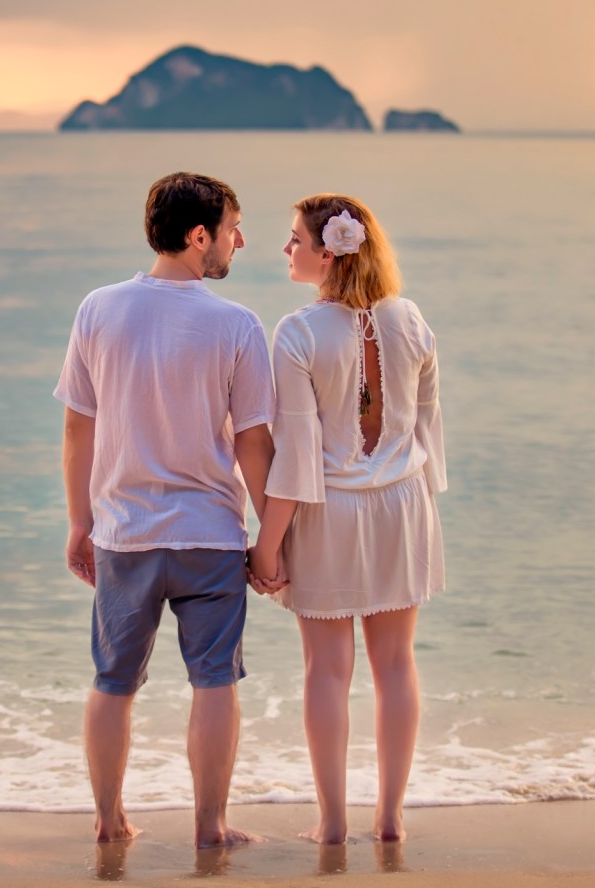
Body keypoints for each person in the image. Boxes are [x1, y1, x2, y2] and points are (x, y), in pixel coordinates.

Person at [54, 172, 276, 848]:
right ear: (198, 235)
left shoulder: (99, 308)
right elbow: (254, 442)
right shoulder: (237, 324)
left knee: (113, 680)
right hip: (209, 536)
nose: (241, 240)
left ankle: (108, 819)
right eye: (232, 227)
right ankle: (210, 828)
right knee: (214, 681)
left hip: (125, 534)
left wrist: (79, 522)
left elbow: (77, 428)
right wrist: (271, 537)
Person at [248, 193, 446, 845]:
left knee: (328, 671)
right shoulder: (410, 318)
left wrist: (266, 546)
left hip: (330, 512)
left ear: (327, 252)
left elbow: (297, 456)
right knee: (397, 667)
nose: (286, 250)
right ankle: (389, 820)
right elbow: (425, 421)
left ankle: (333, 824)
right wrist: (424, 489)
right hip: (402, 505)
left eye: (294, 240)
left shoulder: (299, 333)